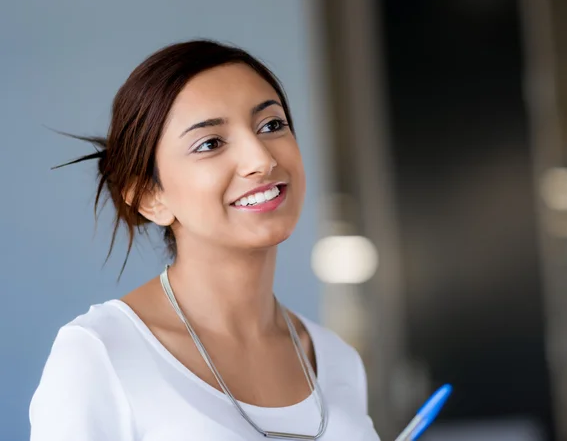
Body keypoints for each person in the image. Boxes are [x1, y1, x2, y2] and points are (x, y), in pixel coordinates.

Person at [29, 40, 380, 440]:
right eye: (210, 143)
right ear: (150, 196)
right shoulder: (100, 354)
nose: (262, 160)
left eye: (272, 125)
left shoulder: (337, 359)